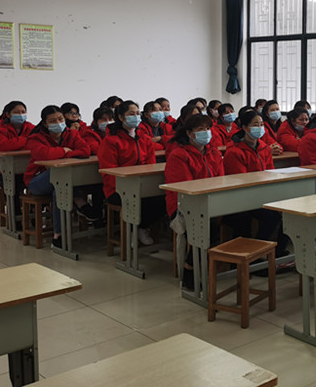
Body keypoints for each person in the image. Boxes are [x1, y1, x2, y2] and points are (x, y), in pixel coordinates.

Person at [165, 112, 225, 289]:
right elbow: (185, 188)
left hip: (210, 201)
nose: (205, 132)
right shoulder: (179, 155)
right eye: (200, 129)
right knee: (206, 226)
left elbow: (221, 180)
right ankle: (190, 269)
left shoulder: (214, 153)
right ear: (189, 133)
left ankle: (235, 264)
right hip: (182, 205)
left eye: (208, 128)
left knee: (239, 217)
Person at [23, 105, 94, 248]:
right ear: (45, 123)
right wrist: (64, 151)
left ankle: (58, 235)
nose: (58, 123)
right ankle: (79, 200)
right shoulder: (35, 138)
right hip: (37, 181)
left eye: (60, 119)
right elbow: (43, 155)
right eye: (53, 121)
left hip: (60, 182)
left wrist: (64, 153)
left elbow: (85, 150)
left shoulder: (72, 134)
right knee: (59, 176)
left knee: (60, 189)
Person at [98, 100, 163, 246]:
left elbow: (151, 166)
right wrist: (126, 186)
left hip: (143, 185)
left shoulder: (144, 138)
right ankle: (131, 230)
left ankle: (141, 227)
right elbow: (109, 172)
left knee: (163, 199)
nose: (136, 117)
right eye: (131, 114)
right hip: (118, 189)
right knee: (136, 201)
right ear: (121, 117)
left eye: (138, 114)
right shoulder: (111, 141)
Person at [223, 109, 282, 248]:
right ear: (244, 127)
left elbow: (270, 172)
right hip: (239, 197)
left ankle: (261, 249)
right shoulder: (234, 151)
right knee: (244, 219)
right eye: (255, 125)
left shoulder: (264, 148)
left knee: (279, 214)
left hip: (259, 194)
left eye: (261, 124)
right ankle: (251, 251)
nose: (259, 128)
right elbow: (240, 181)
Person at [0, 100, 35, 220]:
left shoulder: (30, 127)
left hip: (27, 168)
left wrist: (18, 143)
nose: (21, 115)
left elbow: (36, 143)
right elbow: (4, 145)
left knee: (39, 184)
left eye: (23, 112)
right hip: (3, 170)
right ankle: (16, 220)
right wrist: (25, 140)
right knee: (13, 187)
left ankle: (34, 216)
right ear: (8, 114)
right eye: (16, 112)